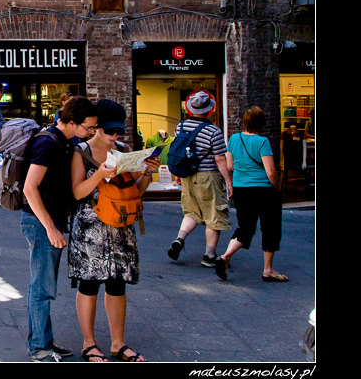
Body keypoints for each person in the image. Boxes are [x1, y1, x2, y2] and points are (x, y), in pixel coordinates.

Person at [67, 99, 157, 362]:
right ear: (97, 128)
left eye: (119, 131)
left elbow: (134, 193)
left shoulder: (124, 150)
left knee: (118, 284)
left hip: (121, 224)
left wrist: (148, 174)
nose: (115, 136)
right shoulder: (80, 151)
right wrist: (98, 175)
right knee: (89, 282)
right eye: (110, 131)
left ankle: (118, 343)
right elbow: (77, 192)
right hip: (91, 226)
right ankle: (89, 343)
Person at [21, 95, 99, 362]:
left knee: (44, 285)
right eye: (89, 127)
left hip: (50, 220)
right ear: (73, 122)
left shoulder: (65, 141)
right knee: (41, 287)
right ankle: (40, 348)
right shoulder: (48, 143)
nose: (91, 132)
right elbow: (29, 189)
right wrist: (51, 228)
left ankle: (45, 342)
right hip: (42, 222)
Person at [215, 106, 287, 282]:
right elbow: (270, 171)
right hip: (263, 189)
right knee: (270, 228)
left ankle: (225, 256)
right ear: (261, 122)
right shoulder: (262, 142)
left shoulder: (233, 139)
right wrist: (277, 187)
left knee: (245, 228)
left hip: (241, 188)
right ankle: (268, 269)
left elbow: (230, 166)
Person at [166, 91, 233, 268]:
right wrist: (229, 182)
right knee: (213, 216)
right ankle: (209, 255)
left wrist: (178, 175)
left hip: (188, 176)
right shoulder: (214, 131)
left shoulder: (181, 127)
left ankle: (179, 239)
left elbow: (180, 152)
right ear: (209, 111)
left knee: (191, 213)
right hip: (208, 177)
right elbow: (220, 159)